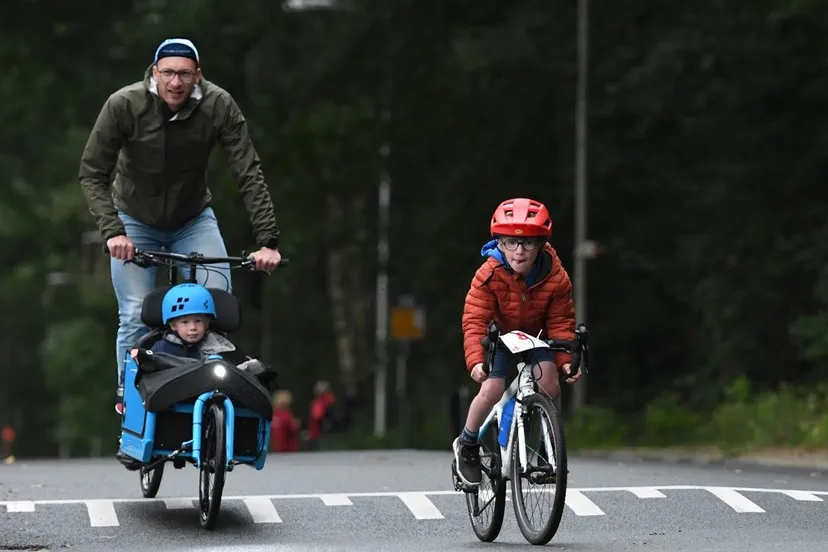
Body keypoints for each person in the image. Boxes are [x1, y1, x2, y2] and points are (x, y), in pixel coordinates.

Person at [77, 38, 283, 415]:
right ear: (154, 73)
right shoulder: (124, 104)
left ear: (197, 75)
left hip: (192, 219)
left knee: (217, 302)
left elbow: (247, 171)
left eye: (184, 74)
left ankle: (210, 395)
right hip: (133, 221)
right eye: (168, 73)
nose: (176, 82)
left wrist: (267, 240)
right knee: (136, 311)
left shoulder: (218, 105)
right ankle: (133, 400)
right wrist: (113, 232)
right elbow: (92, 173)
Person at [452, 198, 582, 488]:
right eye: (511, 242)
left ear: (541, 244)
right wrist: (475, 360)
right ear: (499, 242)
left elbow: (561, 321)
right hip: (496, 337)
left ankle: (549, 449)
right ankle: (468, 444)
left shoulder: (556, 276)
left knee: (550, 385)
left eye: (528, 244)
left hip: (534, 337)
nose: (519, 251)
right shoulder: (488, 275)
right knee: (493, 388)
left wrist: (564, 362)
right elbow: (474, 321)